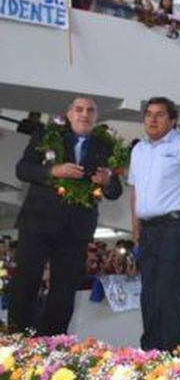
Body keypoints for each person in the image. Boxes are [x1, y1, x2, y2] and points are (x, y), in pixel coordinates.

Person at [10, 96, 122, 335]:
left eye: (90, 111)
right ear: (69, 114)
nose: (84, 114)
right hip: (38, 222)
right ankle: (17, 341)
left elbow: (115, 191)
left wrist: (107, 181)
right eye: (79, 109)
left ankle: (53, 343)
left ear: (96, 117)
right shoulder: (45, 136)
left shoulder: (105, 147)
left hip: (76, 228)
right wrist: (54, 170)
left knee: (64, 289)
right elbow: (23, 169)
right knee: (25, 283)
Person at [129, 97, 180, 352]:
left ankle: (173, 352)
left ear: (172, 120)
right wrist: (135, 227)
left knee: (171, 290)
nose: (153, 120)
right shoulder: (138, 150)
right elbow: (136, 191)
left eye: (160, 115)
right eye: (149, 114)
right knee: (149, 292)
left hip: (176, 227)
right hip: (148, 229)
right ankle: (150, 350)